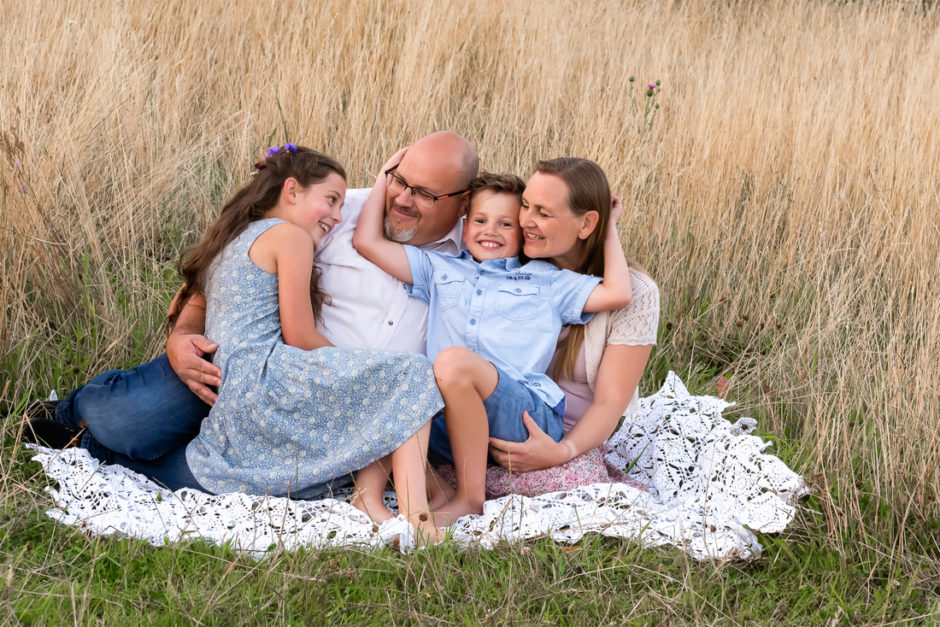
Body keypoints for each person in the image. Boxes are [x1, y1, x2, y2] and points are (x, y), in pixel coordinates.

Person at [24, 132, 479, 468]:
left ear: (462, 203)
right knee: (130, 420)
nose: (402, 198)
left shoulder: (482, 257)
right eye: (399, 180)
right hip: (252, 371)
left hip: (343, 410)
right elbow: (218, 276)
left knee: (196, 469)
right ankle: (75, 412)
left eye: (424, 193)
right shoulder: (339, 214)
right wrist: (183, 334)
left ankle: (121, 456)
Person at [63, 144, 445, 542]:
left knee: (235, 469)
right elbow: (298, 336)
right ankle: (415, 516)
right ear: (292, 190)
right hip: (262, 375)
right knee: (409, 372)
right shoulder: (291, 238)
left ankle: (92, 443)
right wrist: (360, 369)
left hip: (230, 378)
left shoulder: (230, 238)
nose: (336, 214)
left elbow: (187, 300)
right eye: (331, 201)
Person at [352, 156, 632, 524]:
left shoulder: (546, 281)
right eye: (481, 221)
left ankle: (469, 499)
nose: (492, 231)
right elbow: (367, 241)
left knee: (451, 362)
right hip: (450, 423)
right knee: (400, 381)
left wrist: (608, 227)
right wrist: (384, 177)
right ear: (464, 227)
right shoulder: (440, 269)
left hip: (521, 414)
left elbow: (617, 293)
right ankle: (388, 508)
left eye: (506, 224)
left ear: (522, 234)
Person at [486, 158, 660, 488]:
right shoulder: (514, 269)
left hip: (566, 441)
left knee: (579, 482)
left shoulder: (636, 294)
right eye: (525, 206)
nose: (525, 221)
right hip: (495, 422)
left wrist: (560, 452)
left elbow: (610, 402)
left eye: (543, 213)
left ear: (587, 224)